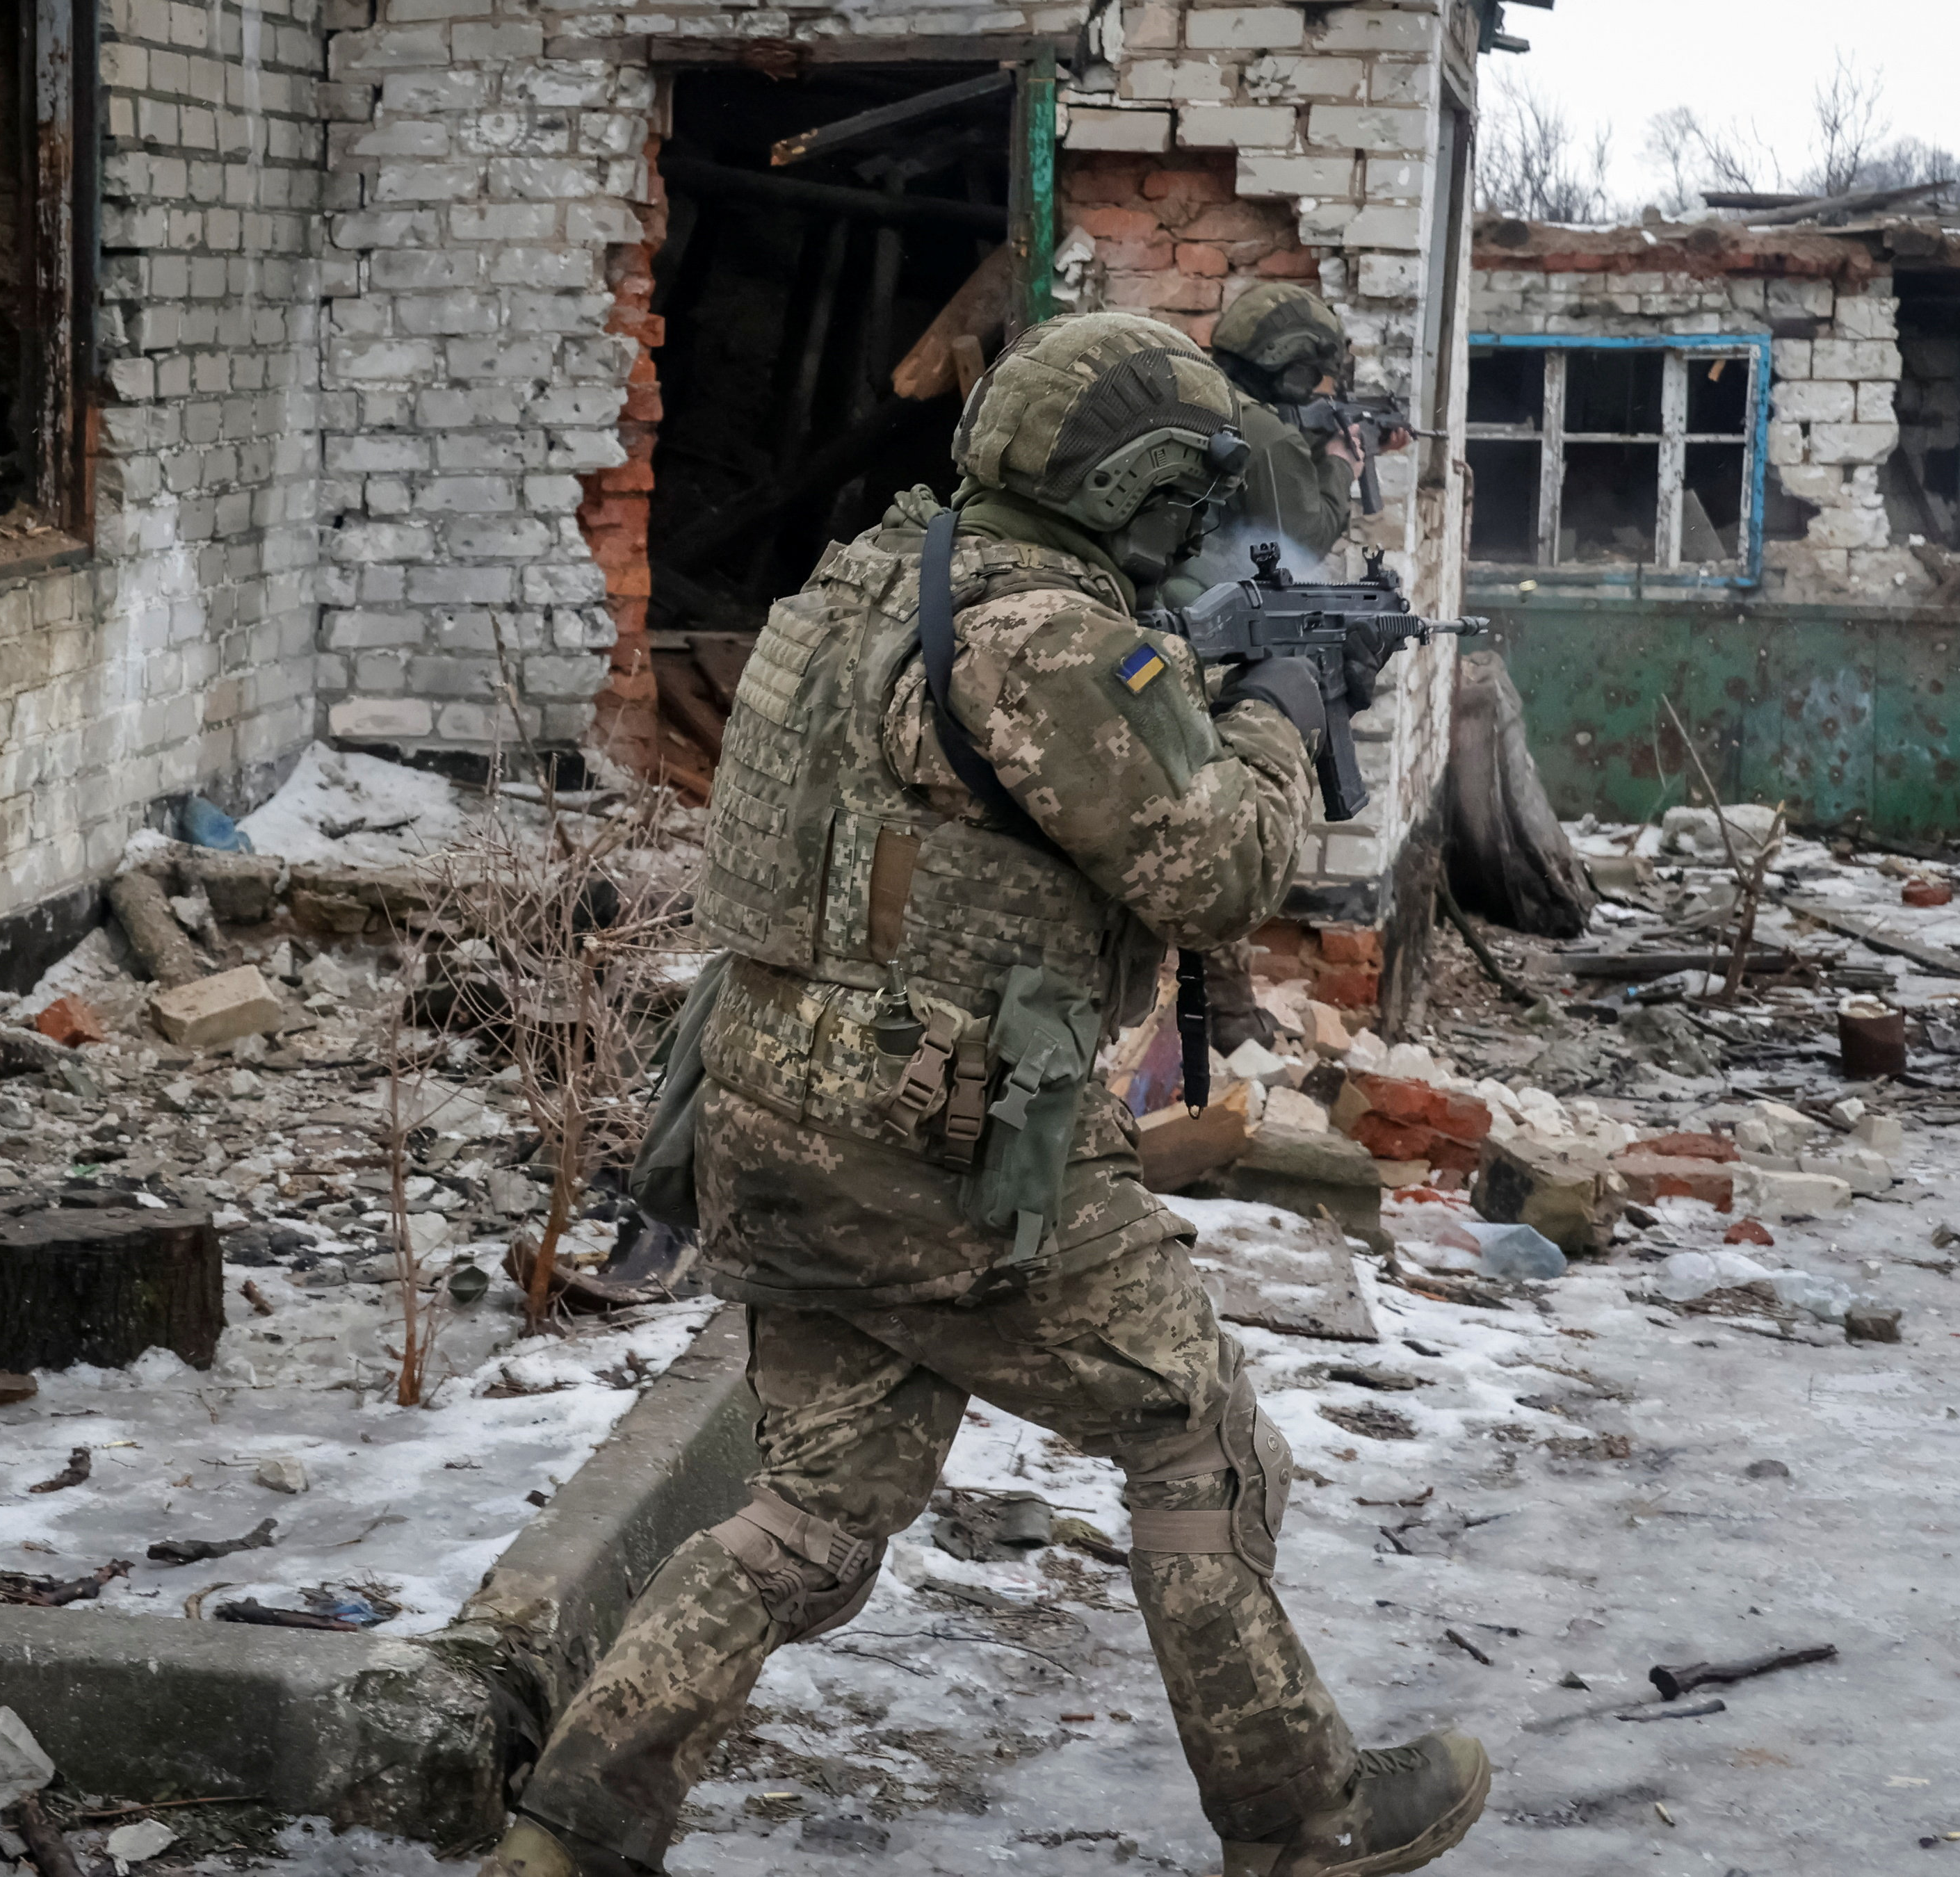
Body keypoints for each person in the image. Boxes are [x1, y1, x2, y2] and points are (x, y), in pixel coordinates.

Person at [476, 311, 1489, 1877]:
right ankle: (1306, 1820)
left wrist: (1203, 672)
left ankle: (568, 1832)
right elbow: (1214, 869)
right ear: (1133, 486)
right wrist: (1280, 710)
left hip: (768, 1110)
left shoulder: (876, 579)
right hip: (944, 1148)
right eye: (1181, 493)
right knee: (1198, 1441)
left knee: (812, 1515)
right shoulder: (1047, 637)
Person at [1194, 281, 1414, 1053]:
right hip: (1219, 643)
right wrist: (1338, 467)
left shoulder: (1209, 400)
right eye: (1313, 378)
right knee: (1221, 827)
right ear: (1289, 368)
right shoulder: (1271, 438)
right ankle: (1222, 1015)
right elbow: (1307, 536)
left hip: (1186, 625)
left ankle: (1218, 1008)